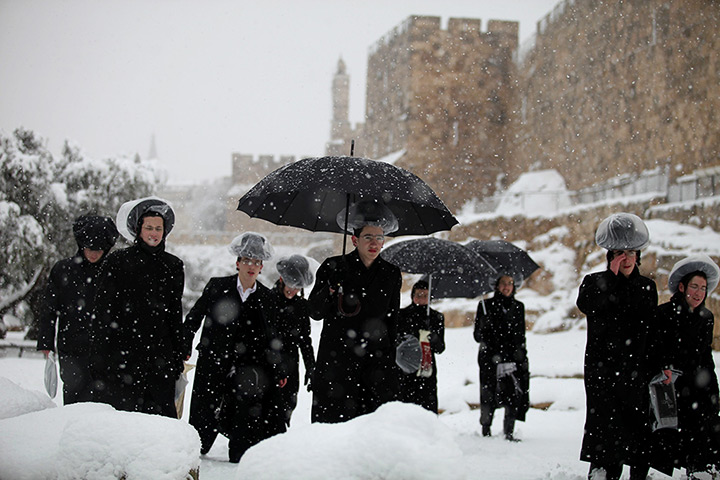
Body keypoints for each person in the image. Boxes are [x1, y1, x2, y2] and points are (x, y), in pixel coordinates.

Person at [183, 232, 285, 463]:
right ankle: (198, 446)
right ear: (238, 263)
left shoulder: (267, 298)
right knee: (203, 416)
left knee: (244, 417)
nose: (252, 266)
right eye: (247, 260)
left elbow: (272, 336)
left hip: (246, 367)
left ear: (261, 267)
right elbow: (194, 317)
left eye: (257, 262)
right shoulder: (217, 286)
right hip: (214, 359)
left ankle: (238, 453)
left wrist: (278, 368)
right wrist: (185, 343)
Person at [576, 212, 657, 480]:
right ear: (610, 255)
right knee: (605, 435)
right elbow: (588, 306)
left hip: (635, 372)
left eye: (630, 253)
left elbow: (649, 330)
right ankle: (601, 471)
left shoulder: (647, 287)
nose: (625, 258)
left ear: (638, 256)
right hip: (603, 372)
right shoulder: (594, 282)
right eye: (619, 253)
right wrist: (609, 279)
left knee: (636, 435)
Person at [89, 197, 185, 418]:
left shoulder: (173, 266)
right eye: (149, 227)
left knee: (159, 422)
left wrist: (177, 354)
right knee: (123, 420)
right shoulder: (117, 262)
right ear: (138, 229)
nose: (154, 233)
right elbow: (103, 312)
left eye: (158, 228)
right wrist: (99, 356)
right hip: (122, 357)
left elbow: (173, 312)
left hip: (160, 359)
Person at [308, 199, 402, 423]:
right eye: (368, 237)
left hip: (375, 362)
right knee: (334, 424)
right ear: (354, 239)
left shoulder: (391, 273)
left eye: (379, 238)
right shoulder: (333, 267)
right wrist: (331, 288)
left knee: (370, 427)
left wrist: (391, 363)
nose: (374, 243)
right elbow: (314, 311)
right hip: (337, 361)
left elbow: (392, 319)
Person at [645, 254, 720, 479]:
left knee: (709, 425)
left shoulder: (707, 317)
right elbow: (653, 348)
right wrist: (663, 366)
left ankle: (704, 470)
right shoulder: (663, 313)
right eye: (694, 286)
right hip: (672, 385)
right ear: (681, 286)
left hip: (699, 383)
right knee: (675, 434)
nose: (698, 293)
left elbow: (706, 356)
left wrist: (713, 389)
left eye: (703, 288)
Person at [36, 215, 119, 404]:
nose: (93, 254)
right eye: (89, 248)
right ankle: (74, 431)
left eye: (99, 249)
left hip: (106, 348)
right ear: (81, 243)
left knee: (104, 400)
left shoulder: (113, 272)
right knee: (74, 394)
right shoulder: (63, 269)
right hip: (71, 346)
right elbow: (49, 308)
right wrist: (46, 341)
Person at [473, 274, 529, 441]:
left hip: (512, 356)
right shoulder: (485, 305)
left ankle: (509, 431)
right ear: (496, 286)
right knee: (488, 392)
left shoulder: (519, 306)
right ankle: (486, 429)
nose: (506, 287)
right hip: (490, 357)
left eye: (510, 283)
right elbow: (477, 335)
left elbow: (521, 333)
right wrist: (485, 325)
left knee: (512, 392)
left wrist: (519, 352)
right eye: (503, 283)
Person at [272, 254, 316, 426]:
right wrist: (276, 366)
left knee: (287, 408)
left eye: (298, 286)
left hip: (291, 365)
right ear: (282, 278)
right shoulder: (268, 300)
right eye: (291, 284)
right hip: (268, 363)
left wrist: (311, 367)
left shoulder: (301, 307)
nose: (293, 290)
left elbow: (305, 340)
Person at [396, 279, 446, 413]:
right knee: (406, 405)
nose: (421, 298)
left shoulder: (436, 317)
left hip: (427, 368)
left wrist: (433, 338)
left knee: (427, 406)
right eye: (418, 295)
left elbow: (440, 348)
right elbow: (395, 341)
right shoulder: (401, 315)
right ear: (412, 296)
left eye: (425, 296)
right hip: (405, 369)